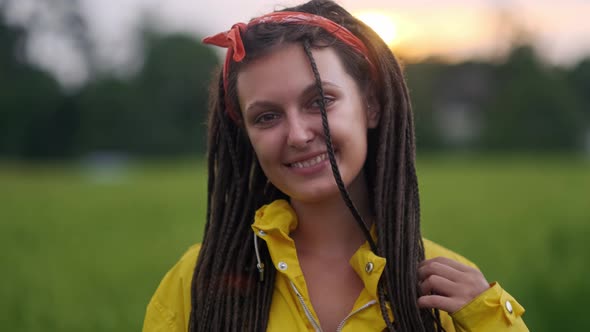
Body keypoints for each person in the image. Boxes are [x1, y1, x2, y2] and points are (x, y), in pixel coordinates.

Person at [143, 0, 529, 331]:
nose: (297, 134)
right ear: (245, 135)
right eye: (266, 117)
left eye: (319, 101)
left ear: (371, 106)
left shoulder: (451, 292)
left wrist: (490, 318)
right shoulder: (196, 283)